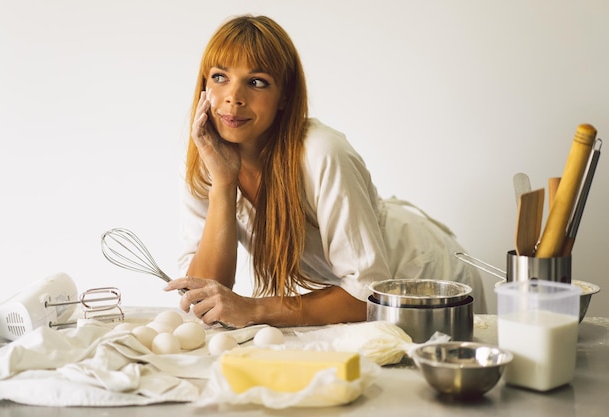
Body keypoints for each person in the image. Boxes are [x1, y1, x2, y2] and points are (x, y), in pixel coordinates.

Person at [165, 14, 486, 328]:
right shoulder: (205, 159)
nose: (234, 97)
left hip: (427, 276)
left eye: (257, 82)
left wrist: (255, 308)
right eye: (220, 77)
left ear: (284, 97)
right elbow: (204, 294)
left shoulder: (322, 154)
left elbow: (367, 296)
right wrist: (223, 183)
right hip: (364, 297)